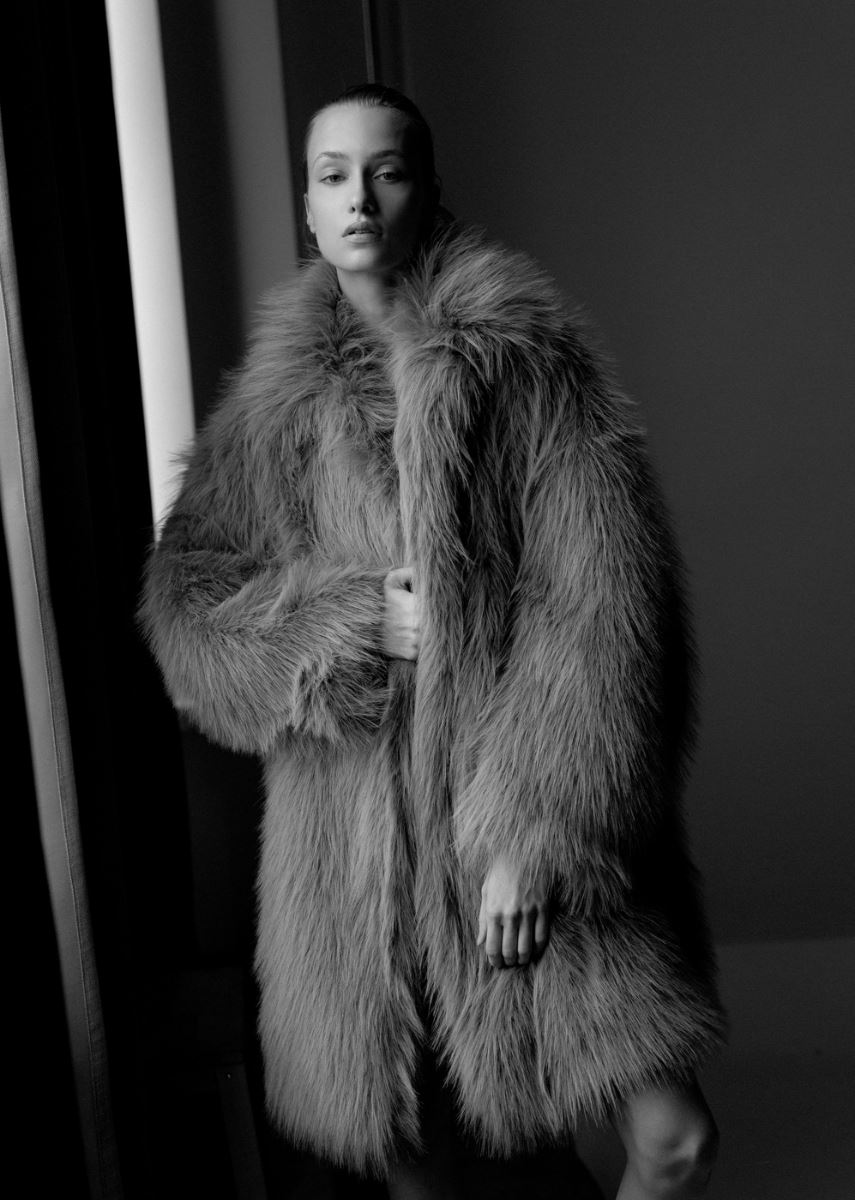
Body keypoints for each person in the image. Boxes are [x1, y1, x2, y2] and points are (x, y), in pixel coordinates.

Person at [140, 84, 725, 1199]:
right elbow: (186, 608)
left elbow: (609, 610)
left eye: (388, 170)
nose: (360, 198)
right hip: (358, 856)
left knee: (672, 1139)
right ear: (307, 207)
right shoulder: (268, 415)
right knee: (423, 1165)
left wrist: (541, 832)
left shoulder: (523, 360)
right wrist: (346, 626)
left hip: (522, 819)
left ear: (430, 190)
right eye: (332, 176)